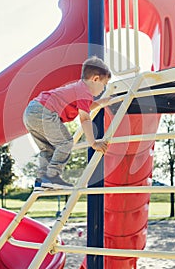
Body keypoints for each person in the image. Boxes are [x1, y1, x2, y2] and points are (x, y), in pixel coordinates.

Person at [23, 56, 111, 189]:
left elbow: (85, 107)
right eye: (104, 85)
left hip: (31, 112)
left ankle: (41, 180)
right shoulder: (85, 92)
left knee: (47, 149)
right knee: (66, 142)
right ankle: (52, 177)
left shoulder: (79, 88)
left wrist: (100, 103)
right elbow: (85, 118)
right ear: (95, 79)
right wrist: (93, 142)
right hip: (44, 111)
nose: (103, 89)